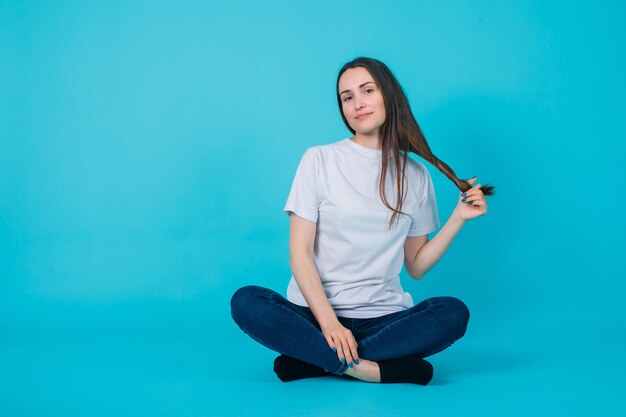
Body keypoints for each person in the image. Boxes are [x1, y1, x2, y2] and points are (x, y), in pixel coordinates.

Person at [230, 57, 495, 385]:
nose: (357, 103)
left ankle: (314, 360)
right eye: (347, 97)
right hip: (314, 316)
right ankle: (368, 368)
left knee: (453, 312)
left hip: (382, 319)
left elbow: (416, 266)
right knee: (247, 301)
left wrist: (458, 218)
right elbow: (299, 255)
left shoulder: (415, 175)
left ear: (388, 95)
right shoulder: (319, 160)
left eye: (367, 90)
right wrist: (330, 325)